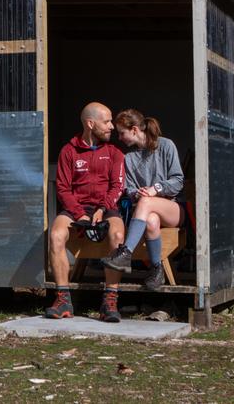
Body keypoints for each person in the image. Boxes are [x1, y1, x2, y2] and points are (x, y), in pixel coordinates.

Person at [45, 102, 126, 322]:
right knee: (56, 235)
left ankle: (110, 301)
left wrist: (102, 208)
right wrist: (79, 213)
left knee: (118, 235)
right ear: (90, 124)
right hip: (76, 208)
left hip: (106, 208)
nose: (112, 126)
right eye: (107, 122)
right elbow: (63, 188)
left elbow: (118, 187)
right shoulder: (68, 151)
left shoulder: (115, 153)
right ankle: (63, 299)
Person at [101, 109, 185, 290]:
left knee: (146, 202)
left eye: (122, 133)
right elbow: (129, 189)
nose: (119, 138)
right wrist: (137, 194)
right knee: (151, 221)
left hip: (173, 210)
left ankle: (126, 252)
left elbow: (178, 181)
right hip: (145, 214)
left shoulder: (166, 145)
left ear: (134, 130)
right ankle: (157, 270)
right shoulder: (129, 158)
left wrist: (156, 189)